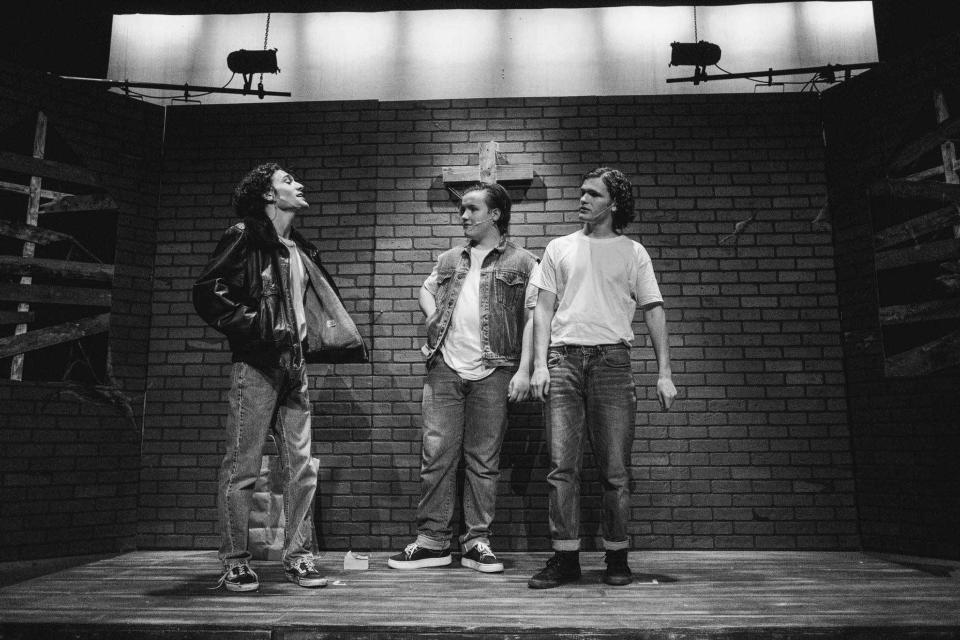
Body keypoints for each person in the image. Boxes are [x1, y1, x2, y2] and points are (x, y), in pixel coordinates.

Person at [193, 163, 367, 591]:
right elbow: (208, 292)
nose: (299, 184)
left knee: (301, 468)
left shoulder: (299, 247)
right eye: (287, 181)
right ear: (268, 196)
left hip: (295, 366)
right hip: (256, 365)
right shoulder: (245, 236)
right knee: (242, 467)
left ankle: (300, 556)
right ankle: (235, 560)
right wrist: (261, 329)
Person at [527, 167, 676, 589]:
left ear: (613, 203)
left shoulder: (633, 252)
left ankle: (616, 556)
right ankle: (565, 558)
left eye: (592, 194)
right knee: (562, 468)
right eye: (581, 192)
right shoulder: (559, 247)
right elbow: (542, 308)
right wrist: (540, 364)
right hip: (564, 362)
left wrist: (664, 372)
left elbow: (653, 308)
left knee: (615, 470)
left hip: (613, 364)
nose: (583, 199)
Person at [387, 183, 539, 574]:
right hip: (445, 368)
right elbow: (425, 289)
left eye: (472, 209)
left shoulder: (524, 263)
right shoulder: (451, 258)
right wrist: (431, 313)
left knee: (483, 461)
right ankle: (432, 542)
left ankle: (476, 542)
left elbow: (536, 317)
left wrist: (526, 369)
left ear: (496, 214)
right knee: (436, 455)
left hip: (495, 370)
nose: (464, 216)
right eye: (462, 210)